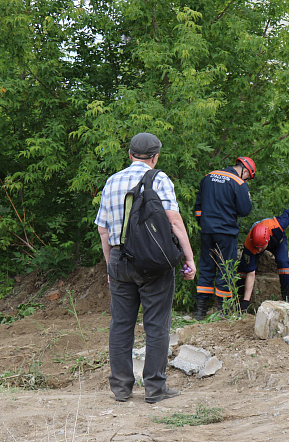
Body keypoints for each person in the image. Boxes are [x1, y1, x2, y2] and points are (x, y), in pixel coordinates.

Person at [95, 132, 196, 404]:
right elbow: (173, 222)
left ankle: (121, 388)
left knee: (120, 325)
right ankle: (154, 388)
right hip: (153, 262)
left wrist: (110, 266)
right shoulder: (159, 179)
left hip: (118, 259)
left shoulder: (112, 181)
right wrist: (189, 258)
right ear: (155, 156)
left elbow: (103, 231)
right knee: (156, 325)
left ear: (129, 154)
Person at [194, 157, 255, 320]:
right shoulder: (238, 182)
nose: (247, 179)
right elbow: (244, 210)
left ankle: (200, 311)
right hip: (226, 232)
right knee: (225, 269)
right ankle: (223, 311)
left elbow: (198, 207)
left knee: (206, 267)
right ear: (245, 170)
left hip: (207, 231)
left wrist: (204, 223)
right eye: (248, 176)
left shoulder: (208, 176)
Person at [235, 209, 289, 310]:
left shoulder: (276, 225)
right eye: (257, 247)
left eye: (261, 247)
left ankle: (286, 296)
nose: (259, 250)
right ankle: (240, 299)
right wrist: (246, 300)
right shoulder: (250, 245)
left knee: (283, 261)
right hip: (258, 243)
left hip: (278, 241)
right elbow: (251, 273)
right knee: (244, 268)